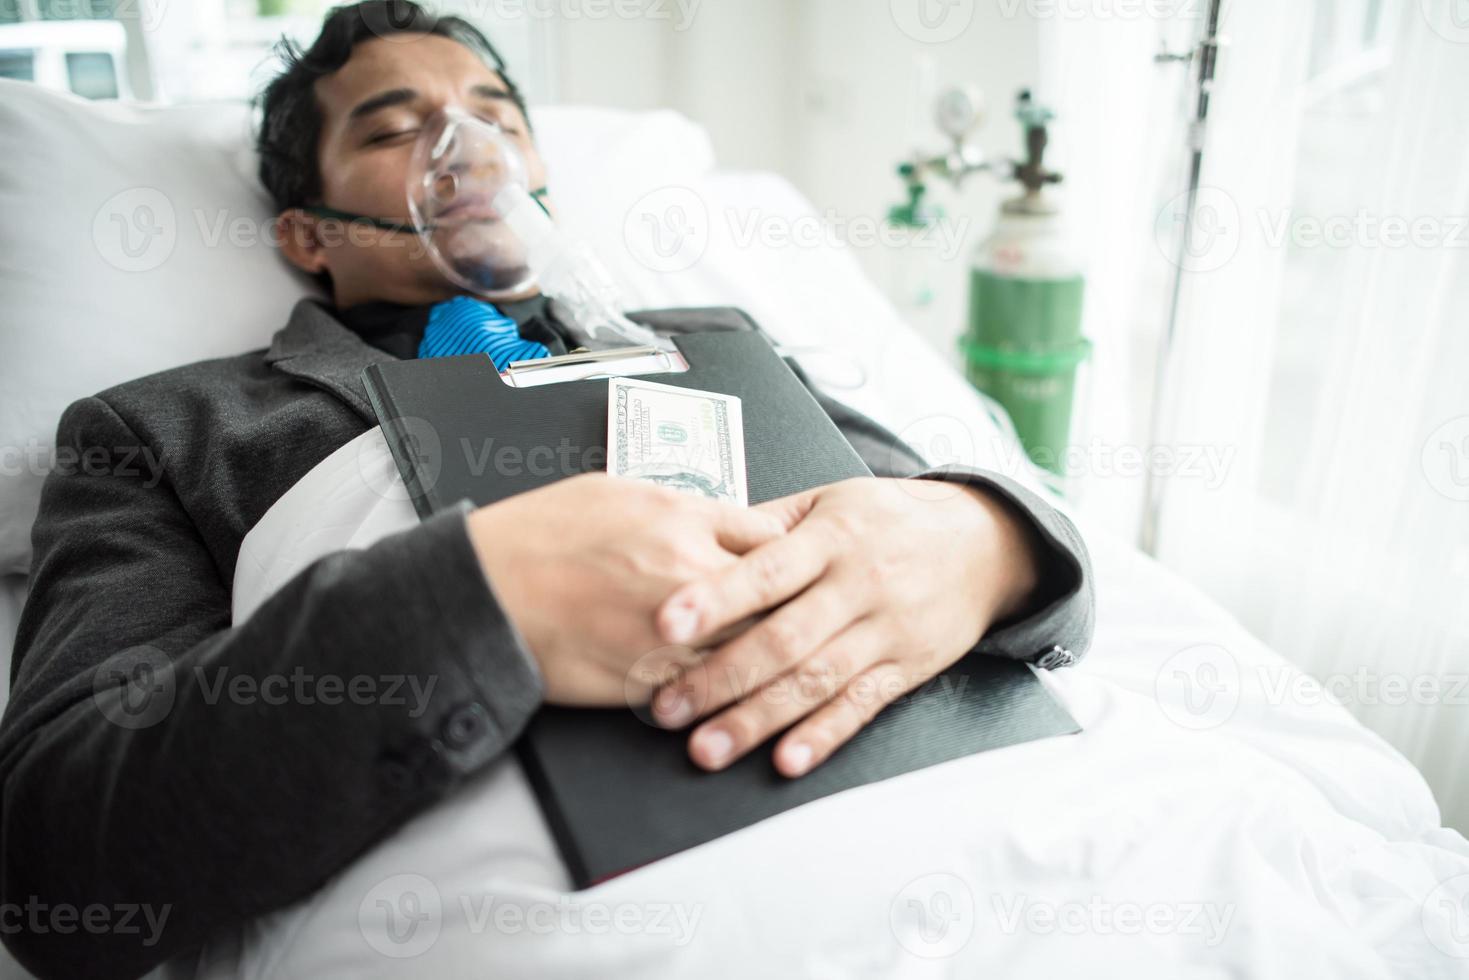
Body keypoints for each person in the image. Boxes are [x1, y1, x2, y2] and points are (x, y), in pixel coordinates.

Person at [0, 2, 1093, 977]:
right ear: (309, 234)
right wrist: (473, 601)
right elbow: (53, 866)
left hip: (1006, 868)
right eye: (390, 127)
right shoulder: (168, 429)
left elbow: (971, 539)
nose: (463, 147)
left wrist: (986, 540)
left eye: (496, 114)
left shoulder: (712, 342)